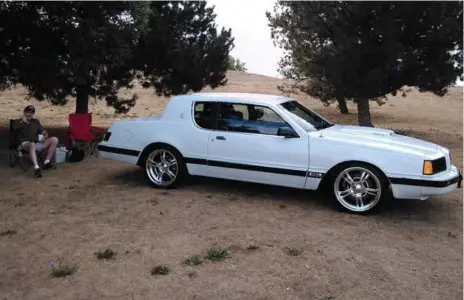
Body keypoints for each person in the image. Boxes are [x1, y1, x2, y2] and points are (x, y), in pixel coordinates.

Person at [12, 105, 58, 178]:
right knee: (32, 144)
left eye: (32, 113)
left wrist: (44, 136)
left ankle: (46, 162)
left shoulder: (36, 122)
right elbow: (14, 129)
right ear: (24, 112)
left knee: (54, 139)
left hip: (36, 142)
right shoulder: (18, 122)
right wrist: (22, 122)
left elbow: (45, 132)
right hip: (23, 144)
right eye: (28, 112)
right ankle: (37, 168)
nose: (30, 114)